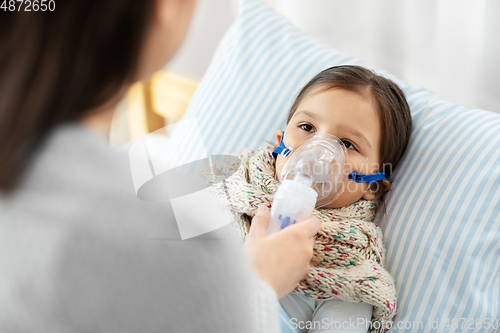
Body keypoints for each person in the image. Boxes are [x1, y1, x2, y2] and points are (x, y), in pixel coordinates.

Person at [0, 1, 321, 332]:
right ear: (165, 7)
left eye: (349, 144)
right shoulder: (182, 247)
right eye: (307, 128)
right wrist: (260, 286)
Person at [209, 65, 412, 333]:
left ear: (372, 187)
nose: (317, 152)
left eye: (348, 144)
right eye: (307, 127)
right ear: (280, 142)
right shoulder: (225, 182)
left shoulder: (350, 274)